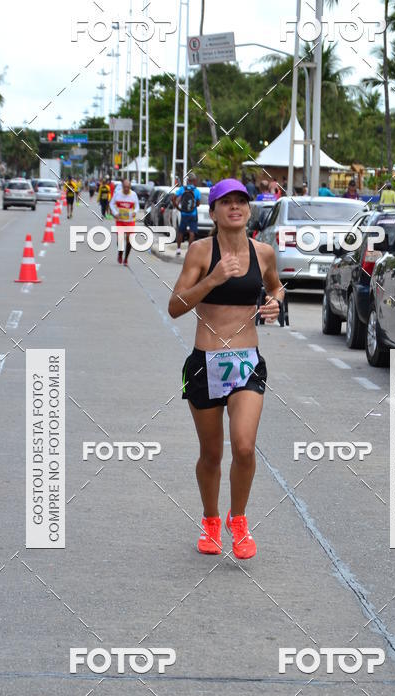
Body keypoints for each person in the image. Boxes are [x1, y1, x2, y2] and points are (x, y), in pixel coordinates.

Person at [168, 178, 283, 559]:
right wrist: (214, 278)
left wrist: (275, 304)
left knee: (245, 447)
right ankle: (211, 519)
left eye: (241, 202)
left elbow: (277, 288)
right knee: (212, 454)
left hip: (247, 363)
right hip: (204, 363)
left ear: (249, 210)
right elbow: (176, 305)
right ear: (213, 212)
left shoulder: (263, 252)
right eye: (226, 202)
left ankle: (239, 520)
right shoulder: (201, 252)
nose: (235, 207)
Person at [109, 177, 139, 265]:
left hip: (130, 220)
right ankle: (120, 254)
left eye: (128, 187)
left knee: (129, 240)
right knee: (120, 239)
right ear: (122, 186)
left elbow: (137, 207)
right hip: (120, 220)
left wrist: (135, 212)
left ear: (130, 187)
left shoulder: (133, 195)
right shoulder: (118, 194)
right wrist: (115, 212)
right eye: (125, 187)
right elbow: (111, 204)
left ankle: (126, 258)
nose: (126, 189)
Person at [174, 174, 201, 255]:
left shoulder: (182, 189)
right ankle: (189, 250)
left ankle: (178, 249)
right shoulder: (197, 191)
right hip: (193, 214)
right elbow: (198, 204)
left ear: (188, 181)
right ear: (195, 181)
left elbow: (173, 198)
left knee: (181, 231)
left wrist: (178, 207)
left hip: (184, 214)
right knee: (192, 232)